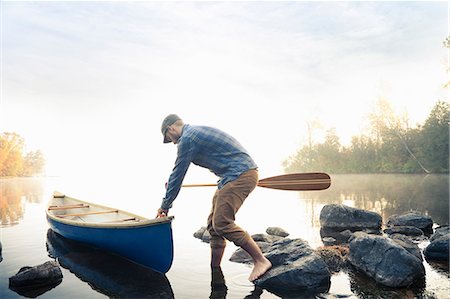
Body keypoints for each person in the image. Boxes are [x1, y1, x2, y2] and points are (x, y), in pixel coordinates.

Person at [156, 114, 272, 282]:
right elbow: (177, 177)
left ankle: (261, 260)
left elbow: (178, 174)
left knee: (222, 223)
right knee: (213, 225)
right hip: (231, 176)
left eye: (169, 139)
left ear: (171, 129)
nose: (173, 143)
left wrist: (165, 205)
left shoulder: (187, 139)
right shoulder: (195, 132)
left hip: (239, 175)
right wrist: (174, 185)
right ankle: (215, 270)